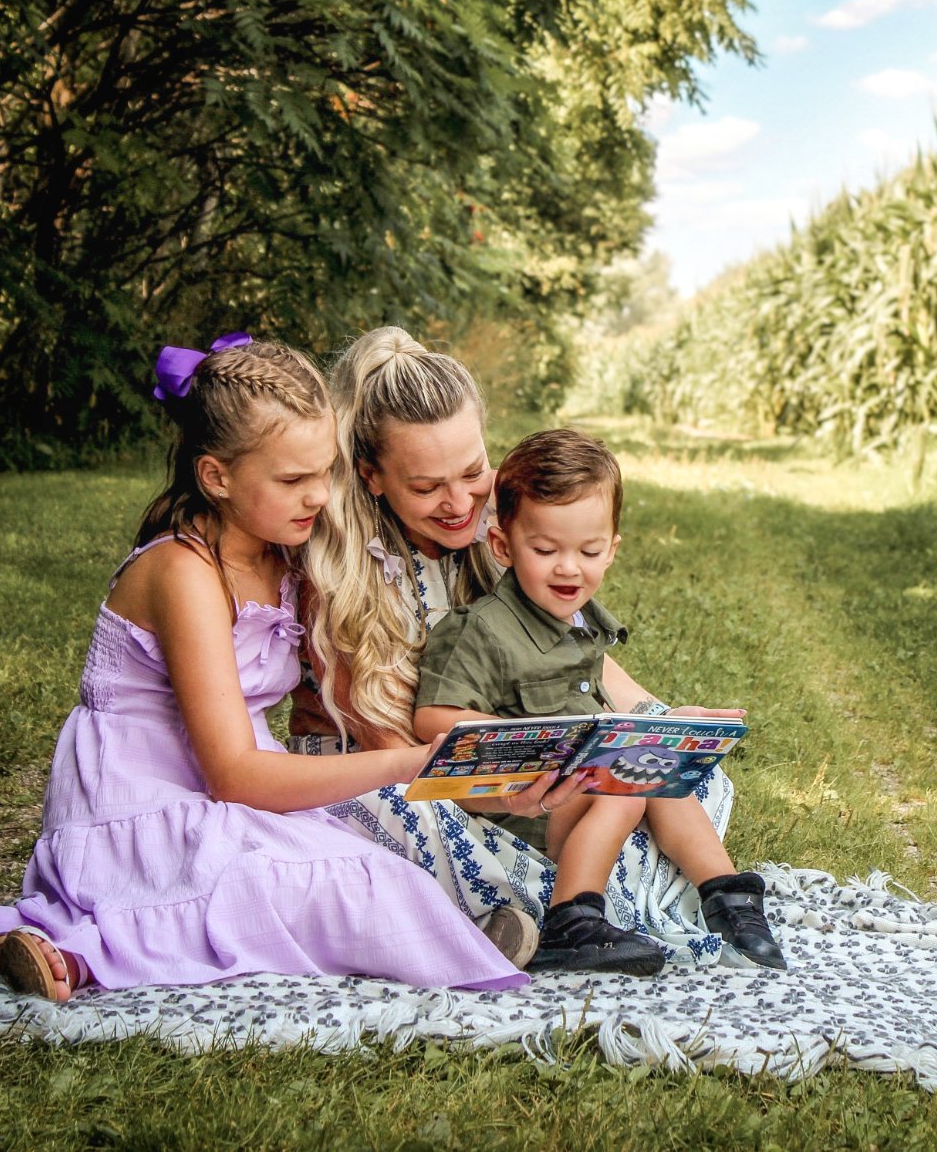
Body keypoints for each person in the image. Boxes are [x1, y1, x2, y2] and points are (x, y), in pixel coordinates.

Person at [0, 335, 529, 1000]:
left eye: (326, 472)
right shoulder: (183, 570)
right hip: (142, 797)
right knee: (289, 887)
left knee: (376, 880)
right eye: (292, 480)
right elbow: (231, 773)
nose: (319, 497)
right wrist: (408, 763)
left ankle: (65, 945)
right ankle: (62, 949)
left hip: (237, 790)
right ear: (217, 476)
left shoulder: (282, 549)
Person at [289, 328, 738, 968]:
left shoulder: (491, 523)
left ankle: (529, 911)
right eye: (426, 487)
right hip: (385, 771)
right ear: (373, 478)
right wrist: (510, 793)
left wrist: (658, 725)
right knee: (453, 834)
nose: (458, 502)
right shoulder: (343, 573)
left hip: (500, 755)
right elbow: (396, 750)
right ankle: (521, 916)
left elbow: (566, 646)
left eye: (473, 471)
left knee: (676, 777)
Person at [414, 428, 785, 976]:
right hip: (523, 808)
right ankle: (572, 920)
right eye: (545, 550)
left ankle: (728, 898)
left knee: (658, 771)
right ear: (502, 546)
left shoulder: (580, 623)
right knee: (625, 792)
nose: (569, 568)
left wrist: (661, 730)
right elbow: (433, 719)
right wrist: (540, 744)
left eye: (589, 551)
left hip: (577, 789)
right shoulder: (481, 631)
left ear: (611, 549)